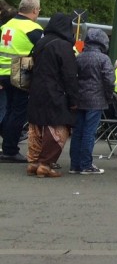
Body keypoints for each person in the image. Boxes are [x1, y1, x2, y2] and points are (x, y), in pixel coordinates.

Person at [25, 12, 79, 178]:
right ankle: (45, 164)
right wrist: (73, 99)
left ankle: (33, 162)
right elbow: (69, 75)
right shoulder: (63, 46)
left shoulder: (41, 42)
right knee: (57, 128)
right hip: (55, 92)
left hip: (36, 90)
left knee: (37, 125)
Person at [0, 0, 44, 163]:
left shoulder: (6, 26)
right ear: (34, 10)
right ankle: (10, 150)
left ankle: (7, 147)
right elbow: (44, 48)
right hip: (20, 71)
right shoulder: (32, 28)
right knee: (18, 112)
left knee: (10, 109)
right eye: (38, 10)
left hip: (3, 72)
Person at [70, 28, 115, 174]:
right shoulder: (104, 59)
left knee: (78, 132)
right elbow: (109, 80)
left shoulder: (79, 57)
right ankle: (86, 165)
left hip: (80, 99)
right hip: (96, 100)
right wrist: (108, 96)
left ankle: (75, 164)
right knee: (89, 133)